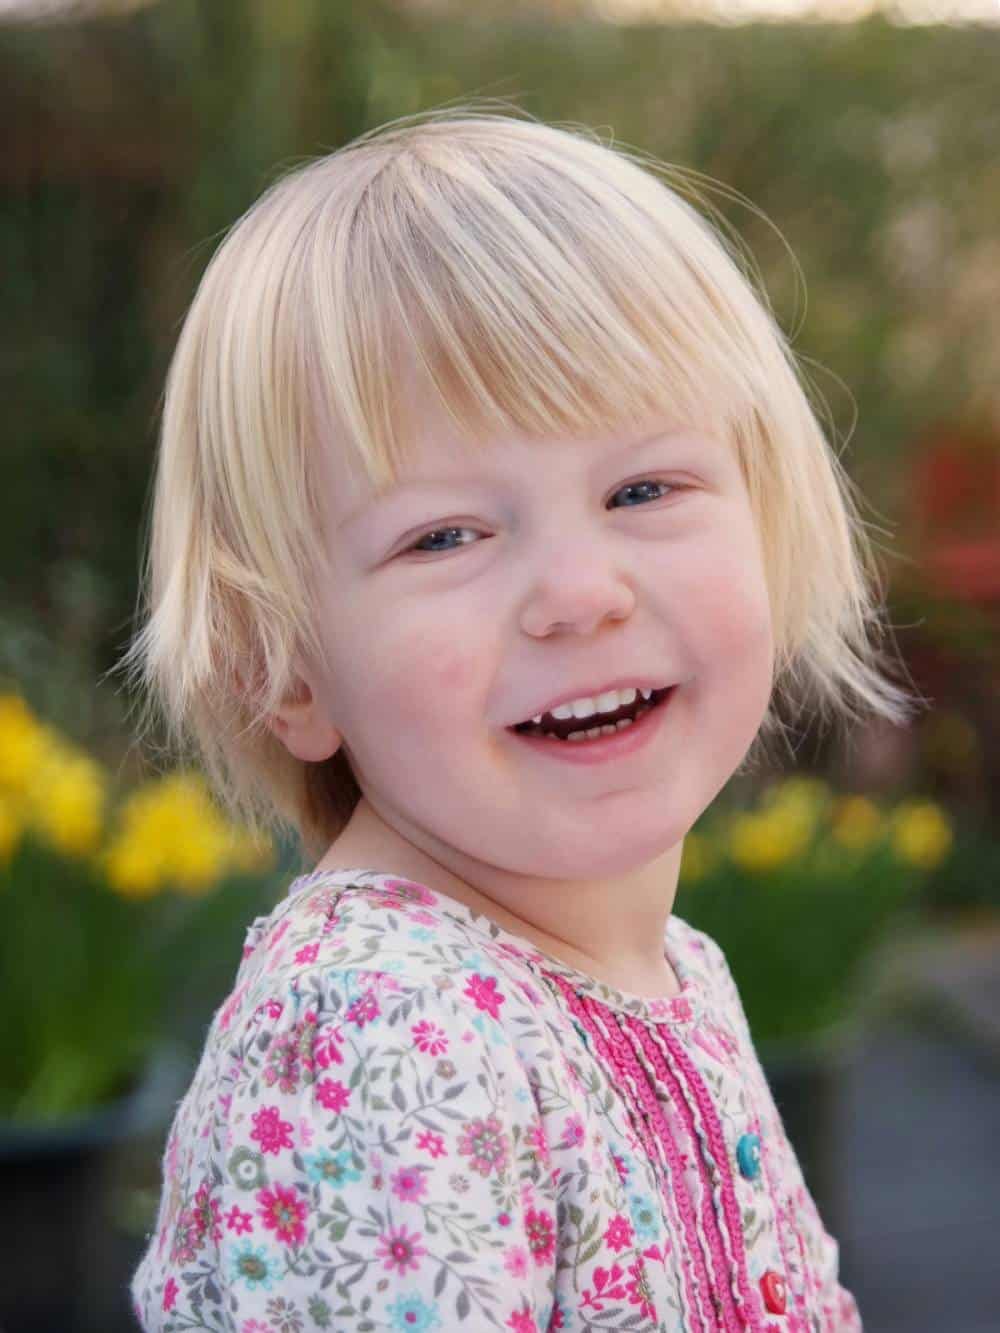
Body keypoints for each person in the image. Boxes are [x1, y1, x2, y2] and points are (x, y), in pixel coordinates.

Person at [122, 104, 918, 1331]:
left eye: (641, 488)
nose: (579, 594)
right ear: (283, 667)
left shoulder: (668, 970)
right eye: (445, 535)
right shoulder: (387, 1031)